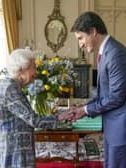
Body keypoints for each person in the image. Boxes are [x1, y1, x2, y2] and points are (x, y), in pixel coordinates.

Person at [59, 11, 126, 168]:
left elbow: (117, 97)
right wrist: (81, 108)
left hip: (120, 130)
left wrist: (86, 110)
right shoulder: (105, 52)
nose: (80, 44)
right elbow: (104, 94)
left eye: (81, 38)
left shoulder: (115, 53)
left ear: (93, 32)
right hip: (112, 129)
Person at [0, 48, 62, 168]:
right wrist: (60, 118)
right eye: (33, 67)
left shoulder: (4, 84)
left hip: (12, 148)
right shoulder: (10, 89)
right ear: (21, 69)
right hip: (16, 151)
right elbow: (33, 119)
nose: (36, 72)